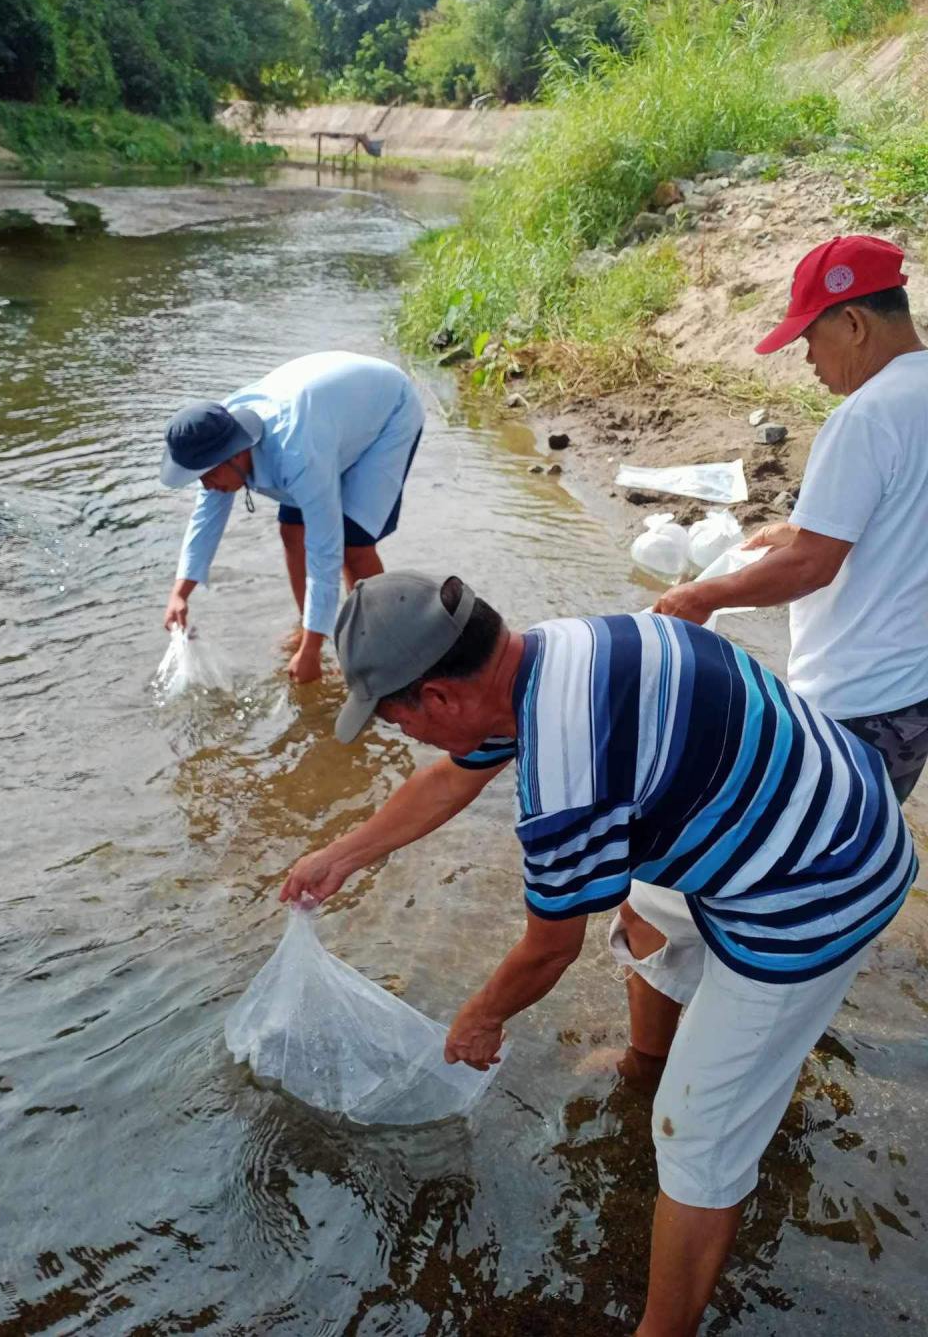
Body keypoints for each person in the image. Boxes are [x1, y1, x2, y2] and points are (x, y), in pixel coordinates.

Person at [279, 571, 916, 1337]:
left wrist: (480, 1016)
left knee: (696, 1132)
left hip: (819, 884)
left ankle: (662, 1327)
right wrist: (343, 855)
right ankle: (645, 1061)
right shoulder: (552, 651)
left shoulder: (564, 773)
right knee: (644, 909)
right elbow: (453, 775)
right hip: (806, 796)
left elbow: (550, 950)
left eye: (394, 722)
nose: (404, 737)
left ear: (438, 698)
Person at [654, 234, 928, 803]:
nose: (806, 361)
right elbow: (905, 514)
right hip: (913, 691)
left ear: (853, 323)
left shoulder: (866, 415)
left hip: (856, 698)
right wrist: (805, 529)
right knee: (862, 840)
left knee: (801, 863)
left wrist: (704, 597)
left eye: (809, 338)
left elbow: (810, 567)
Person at [159, 351, 424, 682]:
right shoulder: (213, 434)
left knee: (351, 546)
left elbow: (325, 549)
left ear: (236, 453)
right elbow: (205, 519)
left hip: (386, 412)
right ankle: (308, 624)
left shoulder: (297, 455)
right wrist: (179, 594)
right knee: (291, 531)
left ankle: (383, 644)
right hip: (329, 419)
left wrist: (312, 651)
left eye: (208, 475)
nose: (206, 485)